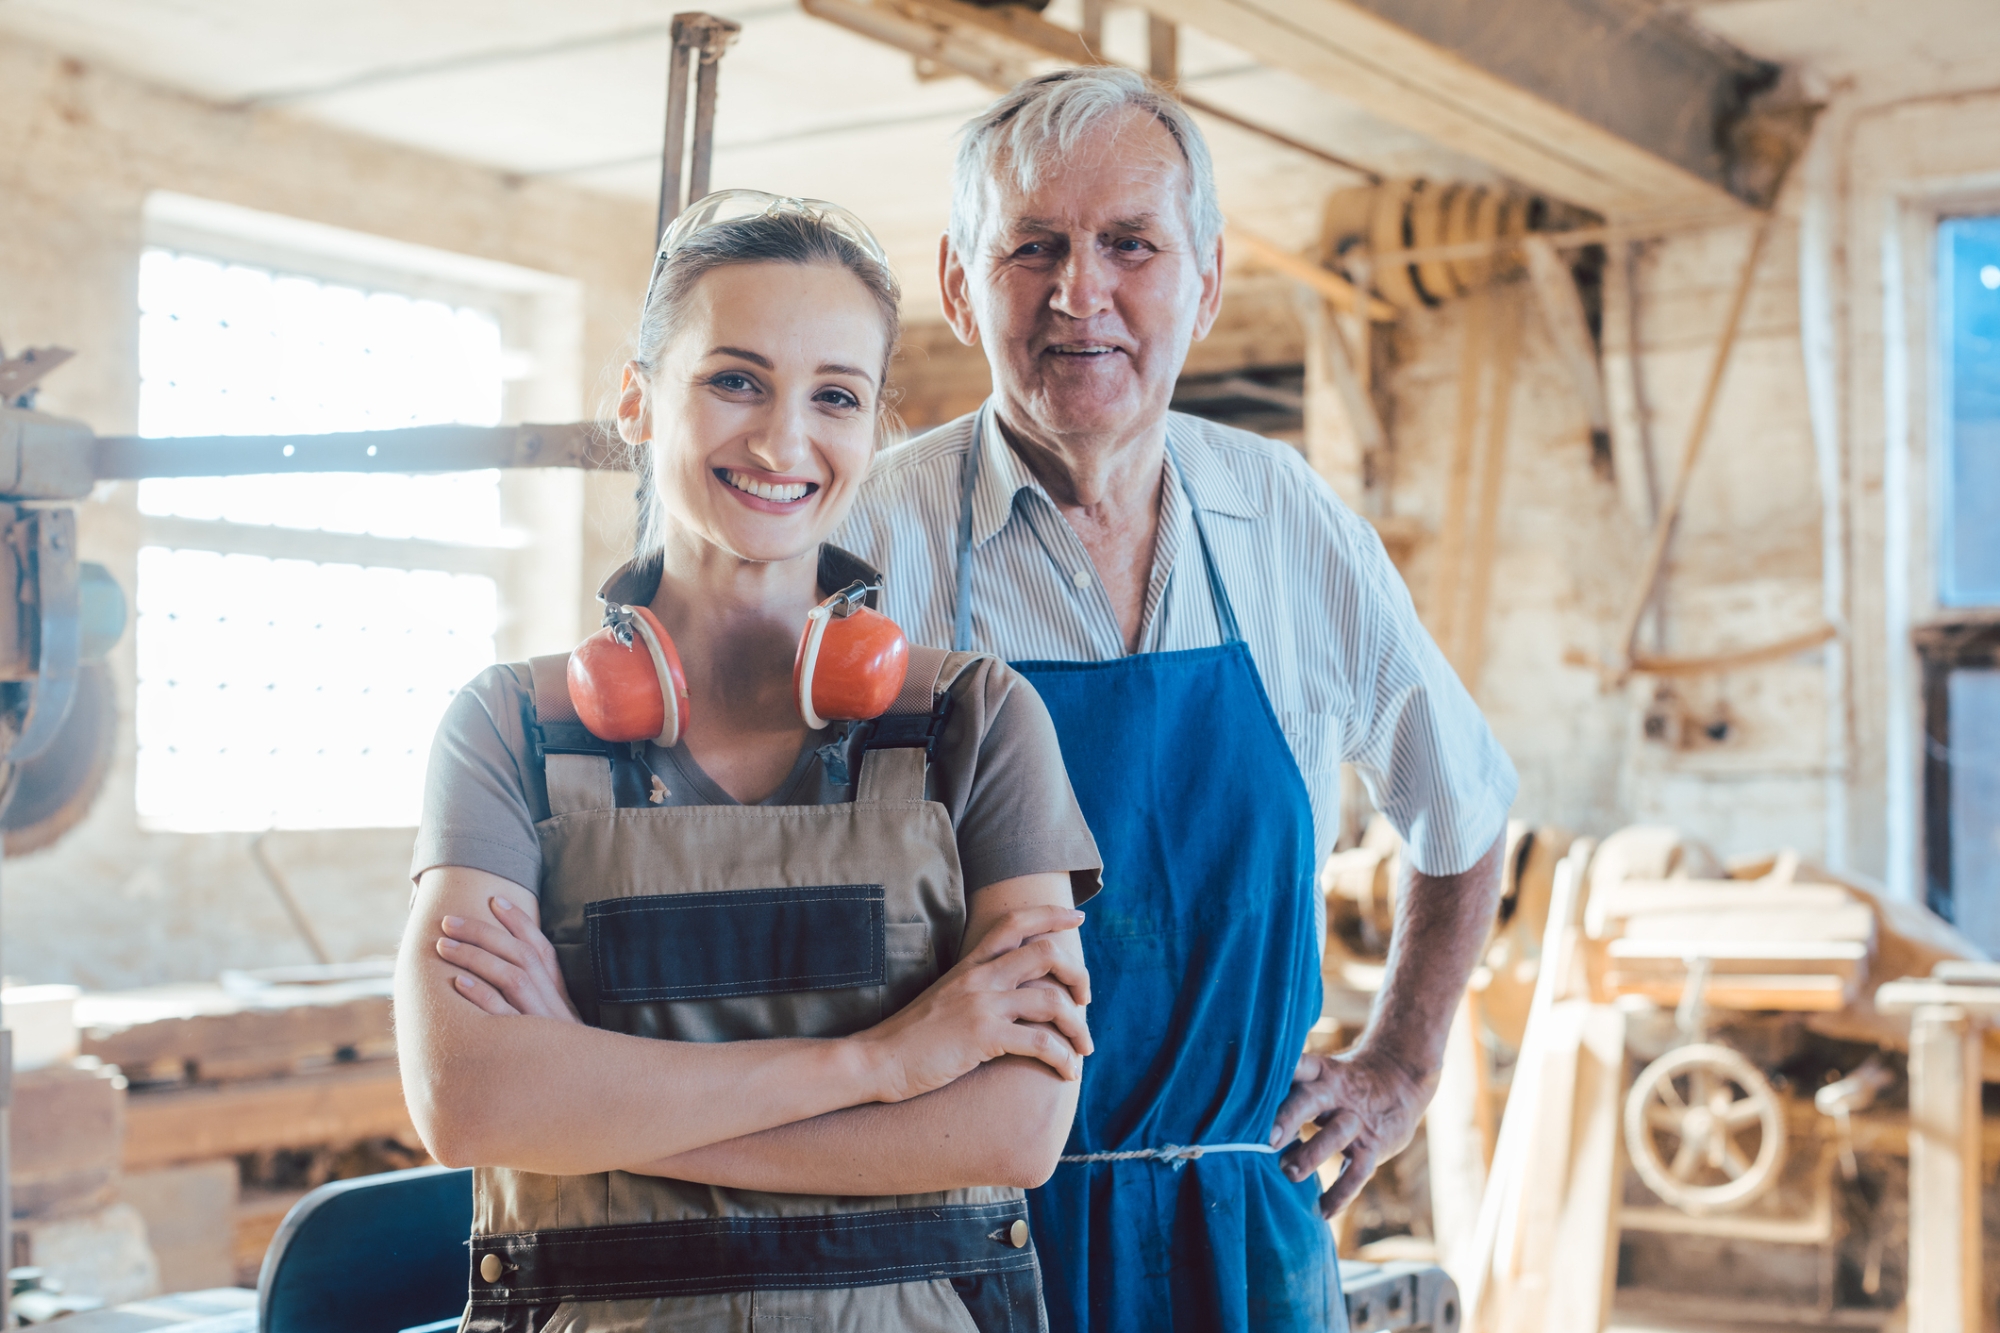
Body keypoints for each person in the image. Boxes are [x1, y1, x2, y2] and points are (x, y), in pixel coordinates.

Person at [830, 68, 1520, 1333]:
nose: (1075, 291)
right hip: (950, 1244)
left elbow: (1462, 808)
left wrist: (1401, 1065)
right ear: (955, 282)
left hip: (1240, 1245)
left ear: (1203, 280)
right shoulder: (866, 542)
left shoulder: (1289, 523)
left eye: (1128, 246)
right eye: (1030, 245)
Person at [396, 191, 1105, 1333]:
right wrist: (885, 1063)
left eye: (834, 395)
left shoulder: (975, 721)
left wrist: (586, 1086)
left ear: (875, 424)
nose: (782, 441)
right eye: (734, 379)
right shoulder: (506, 731)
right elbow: (467, 1100)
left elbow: (1012, 1129)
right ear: (636, 399)